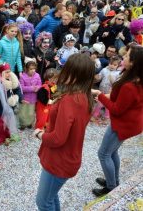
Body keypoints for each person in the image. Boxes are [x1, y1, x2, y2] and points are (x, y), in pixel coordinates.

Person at [33, 53, 95, 211]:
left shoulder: (70, 99)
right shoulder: (85, 96)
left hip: (58, 160)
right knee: (51, 197)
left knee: (43, 202)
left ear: (74, 75)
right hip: (69, 157)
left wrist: (40, 134)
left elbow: (57, 139)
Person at [91, 44, 143, 197]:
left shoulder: (130, 85)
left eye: (127, 56)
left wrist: (100, 95)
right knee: (112, 151)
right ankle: (113, 179)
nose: (123, 57)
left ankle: (111, 186)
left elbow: (116, 109)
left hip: (123, 124)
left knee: (103, 154)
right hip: (129, 123)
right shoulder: (134, 77)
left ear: (133, 62)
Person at [0, 63, 23, 146]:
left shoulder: (12, 79)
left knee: (6, 121)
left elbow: (17, 88)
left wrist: (19, 97)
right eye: (6, 72)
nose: (8, 74)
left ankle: (5, 134)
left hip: (9, 106)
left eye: (9, 72)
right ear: (1, 73)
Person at [92, 56, 121, 124]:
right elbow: (99, 77)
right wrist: (97, 77)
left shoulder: (118, 73)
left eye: (114, 65)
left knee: (108, 105)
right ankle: (95, 116)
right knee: (99, 103)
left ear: (118, 66)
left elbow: (117, 85)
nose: (112, 66)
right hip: (102, 89)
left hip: (110, 92)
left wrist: (112, 80)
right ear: (108, 63)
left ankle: (106, 118)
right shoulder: (104, 70)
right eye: (111, 64)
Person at [19, 59, 42, 129]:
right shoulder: (23, 76)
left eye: (34, 69)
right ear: (26, 69)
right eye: (31, 69)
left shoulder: (37, 75)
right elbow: (21, 88)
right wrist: (32, 88)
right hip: (25, 98)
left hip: (33, 98)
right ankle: (22, 124)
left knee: (31, 112)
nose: (33, 70)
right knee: (23, 112)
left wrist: (38, 88)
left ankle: (29, 123)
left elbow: (40, 84)